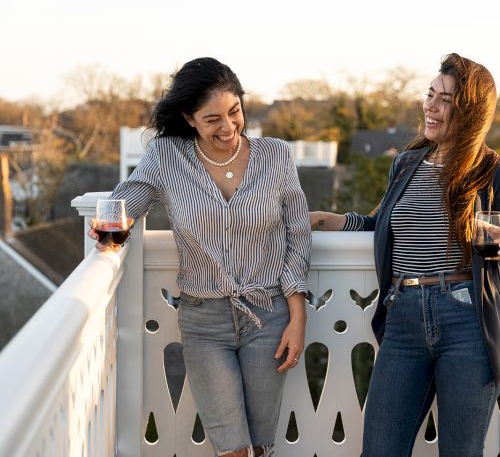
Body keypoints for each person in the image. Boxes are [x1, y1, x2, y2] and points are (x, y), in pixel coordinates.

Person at [89, 57, 311, 457]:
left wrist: (298, 317)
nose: (227, 128)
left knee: (261, 445)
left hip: (269, 316)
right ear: (189, 118)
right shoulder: (166, 157)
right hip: (204, 323)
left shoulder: (276, 156)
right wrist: (108, 232)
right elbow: (125, 200)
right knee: (231, 447)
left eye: (234, 112)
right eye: (212, 120)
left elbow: (297, 234)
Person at [310, 53, 500, 456]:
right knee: (380, 449)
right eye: (430, 94)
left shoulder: (491, 172)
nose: (430, 106)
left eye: (445, 100)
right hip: (403, 317)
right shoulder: (406, 163)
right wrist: (328, 219)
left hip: (466, 319)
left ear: (470, 111)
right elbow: (380, 225)